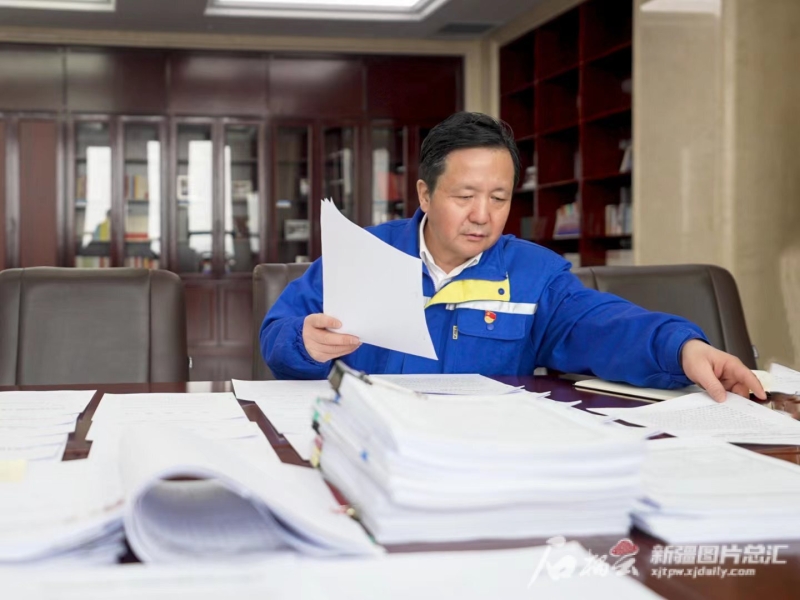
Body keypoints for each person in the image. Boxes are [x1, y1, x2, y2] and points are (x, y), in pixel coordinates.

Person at [261, 112, 765, 403]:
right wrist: (303, 342)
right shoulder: (364, 254)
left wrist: (681, 348)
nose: (482, 215)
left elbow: (606, 324)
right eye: (465, 196)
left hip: (490, 454)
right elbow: (278, 334)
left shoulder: (534, 275)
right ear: (425, 194)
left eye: (499, 198)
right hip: (372, 445)